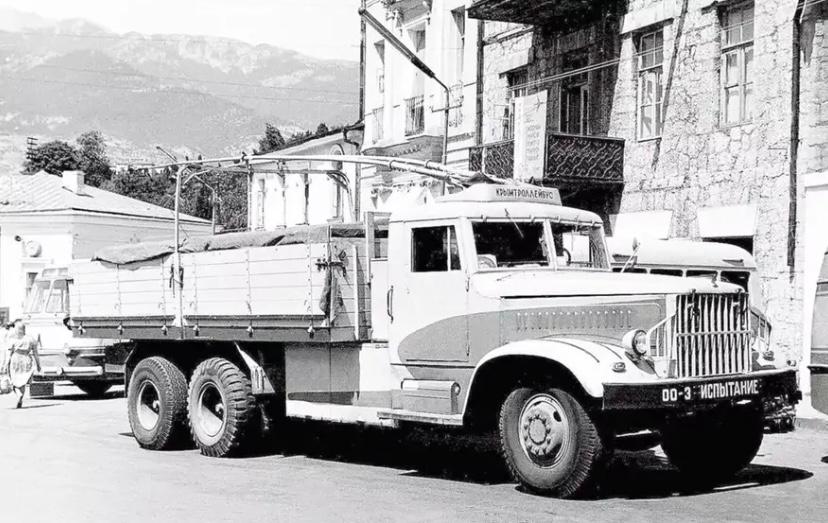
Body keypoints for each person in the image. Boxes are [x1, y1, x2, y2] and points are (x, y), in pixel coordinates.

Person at [5, 319, 41, 408]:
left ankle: (19, 395)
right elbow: (36, 354)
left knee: (14, 381)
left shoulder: (13, 339)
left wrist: (5, 365)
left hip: (16, 360)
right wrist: (38, 365)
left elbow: (9, 354)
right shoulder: (31, 339)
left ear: (17, 329)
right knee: (23, 381)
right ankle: (21, 397)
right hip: (27, 360)